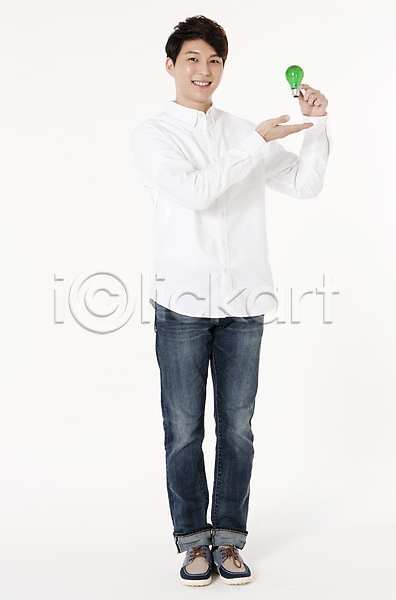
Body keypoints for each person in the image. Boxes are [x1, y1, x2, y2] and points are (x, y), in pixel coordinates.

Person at [131, 15, 330, 586]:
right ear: (171, 65)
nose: (205, 70)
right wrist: (255, 143)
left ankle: (230, 540)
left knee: (238, 428)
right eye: (193, 59)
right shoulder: (153, 135)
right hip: (182, 302)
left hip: (244, 300)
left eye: (215, 60)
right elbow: (196, 192)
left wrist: (316, 126)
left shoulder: (243, 130)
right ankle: (193, 542)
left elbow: (305, 184)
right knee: (183, 430)